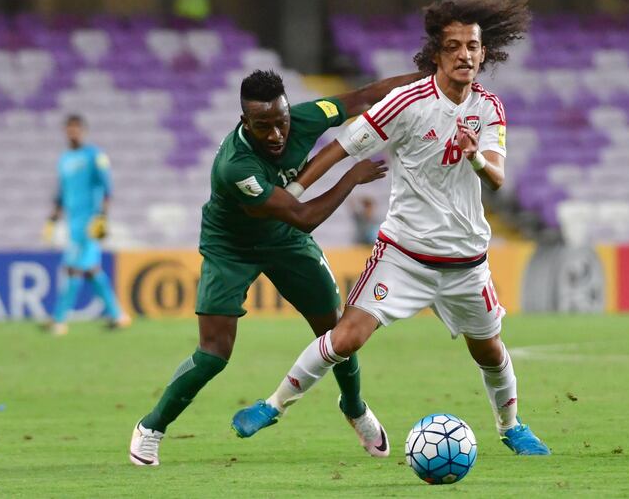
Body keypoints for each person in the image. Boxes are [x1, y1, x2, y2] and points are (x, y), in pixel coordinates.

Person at [233, 0, 551, 456]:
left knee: (490, 352)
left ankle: (511, 426)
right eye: (455, 46)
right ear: (437, 54)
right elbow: (340, 147)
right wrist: (295, 193)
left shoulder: (489, 109)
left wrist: (475, 156)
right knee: (345, 338)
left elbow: (498, 177)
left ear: (484, 53)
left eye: (473, 46)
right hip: (404, 255)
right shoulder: (406, 103)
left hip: (466, 262)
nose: (465, 55)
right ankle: (273, 405)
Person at [129, 69, 423, 466]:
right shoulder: (236, 166)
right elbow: (302, 216)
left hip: (283, 239)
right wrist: (350, 178)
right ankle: (151, 427)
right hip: (232, 246)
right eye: (262, 126)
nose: (275, 135)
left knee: (335, 331)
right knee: (214, 353)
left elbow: (365, 96)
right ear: (243, 122)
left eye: (280, 122)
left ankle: (355, 409)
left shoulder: (305, 117)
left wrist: (430, 77)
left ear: (288, 112)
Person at [42, 114, 131, 336]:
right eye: (69, 129)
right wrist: (53, 217)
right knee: (91, 270)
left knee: (72, 268)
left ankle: (59, 320)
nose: (72, 133)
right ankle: (118, 316)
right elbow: (62, 192)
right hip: (73, 222)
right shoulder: (63, 159)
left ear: (83, 131)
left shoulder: (95, 156)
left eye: (76, 129)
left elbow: (107, 187)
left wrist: (102, 217)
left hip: (90, 222)